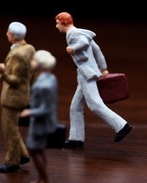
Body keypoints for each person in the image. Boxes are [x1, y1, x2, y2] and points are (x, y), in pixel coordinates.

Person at [55, 11, 132, 148]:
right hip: (85, 73)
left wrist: (73, 48)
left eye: (57, 23)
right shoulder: (80, 32)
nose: (56, 26)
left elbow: (84, 43)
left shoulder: (75, 35)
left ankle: (122, 126)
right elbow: (97, 49)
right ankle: (76, 139)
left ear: (63, 22)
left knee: (95, 104)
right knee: (75, 107)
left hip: (87, 74)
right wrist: (103, 68)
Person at [0, 22, 35, 172]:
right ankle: (22, 155)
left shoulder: (17, 55)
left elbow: (15, 80)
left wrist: (3, 71)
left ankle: (12, 162)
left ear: (13, 36)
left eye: (8, 32)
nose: (6, 34)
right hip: (23, 93)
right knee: (13, 127)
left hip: (12, 97)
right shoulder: (29, 48)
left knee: (9, 129)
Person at [20, 50, 58, 183]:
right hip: (40, 122)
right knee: (39, 150)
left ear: (41, 64)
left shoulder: (45, 85)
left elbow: (46, 109)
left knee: (33, 150)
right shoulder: (49, 78)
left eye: (34, 60)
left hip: (41, 123)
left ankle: (46, 181)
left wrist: (29, 112)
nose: (32, 63)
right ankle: (41, 179)